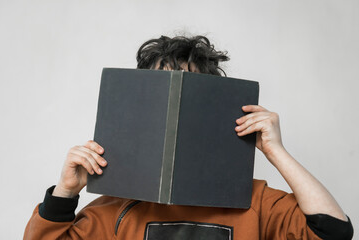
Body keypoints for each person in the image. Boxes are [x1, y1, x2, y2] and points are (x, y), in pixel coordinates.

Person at [24, 35, 353, 240]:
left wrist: (276, 152)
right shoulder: (117, 207)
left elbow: (333, 232)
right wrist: (65, 192)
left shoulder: (255, 202)